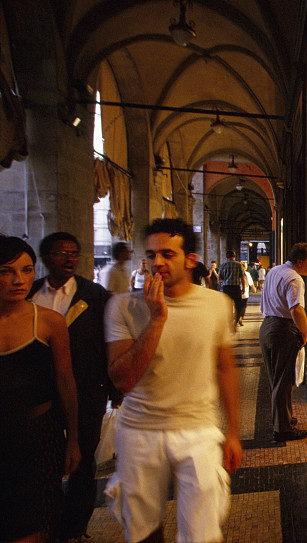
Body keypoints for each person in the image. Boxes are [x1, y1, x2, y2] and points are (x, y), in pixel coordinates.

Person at [104, 218, 242, 543]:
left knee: (202, 531)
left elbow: (226, 368)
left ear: (190, 259)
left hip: (198, 429)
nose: (158, 263)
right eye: (151, 255)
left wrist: (234, 432)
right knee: (141, 530)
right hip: (140, 430)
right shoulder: (123, 306)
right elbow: (123, 379)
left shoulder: (216, 304)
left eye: (167, 254)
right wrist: (156, 319)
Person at [29, 231, 118, 543]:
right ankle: (47, 521)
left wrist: (114, 390)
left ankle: (75, 526)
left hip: (87, 391)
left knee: (82, 460)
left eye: (73, 253)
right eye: (59, 253)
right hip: (41, 395)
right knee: (47, 459)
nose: (68, 259)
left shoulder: (94, 295)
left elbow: (108, 344)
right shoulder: (30, 294)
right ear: (44, 258)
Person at [0, 236, 80, 542]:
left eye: (27, 270)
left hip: (37, 437)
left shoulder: (48, 322)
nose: (19, 280)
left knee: (35, 525)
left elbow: (65, 380)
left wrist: (72, 439)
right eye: (6, 271)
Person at [259, 242, 307, 442]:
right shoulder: (295, 278)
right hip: (283, 330)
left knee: (275, 379)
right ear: (300, 262)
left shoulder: (274, 271)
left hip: (267, 326)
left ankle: (282, 419)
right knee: (283, 382)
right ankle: (282, 429)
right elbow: (296, 309)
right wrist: (305, 332)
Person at [219, 250, 246, 327]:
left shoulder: (223, 265)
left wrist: (223, 282)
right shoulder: (239, 265)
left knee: (228, 305)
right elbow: (242, 278)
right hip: (236, 287)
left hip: (226, 288)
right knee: (238, 306)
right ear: (234, 256)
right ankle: (236, 321)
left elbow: (219, 278)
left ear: (226, 257)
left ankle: (229, 321)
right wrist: (243, 288)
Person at [238, 261, 254, 327]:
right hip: (245, 292)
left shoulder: (237, 273)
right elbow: (250, 282)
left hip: (237, 291)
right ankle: (241, 317)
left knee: (238, 305)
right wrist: (254, 288)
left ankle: (237, 317)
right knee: (243, 306)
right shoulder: (247, 273)